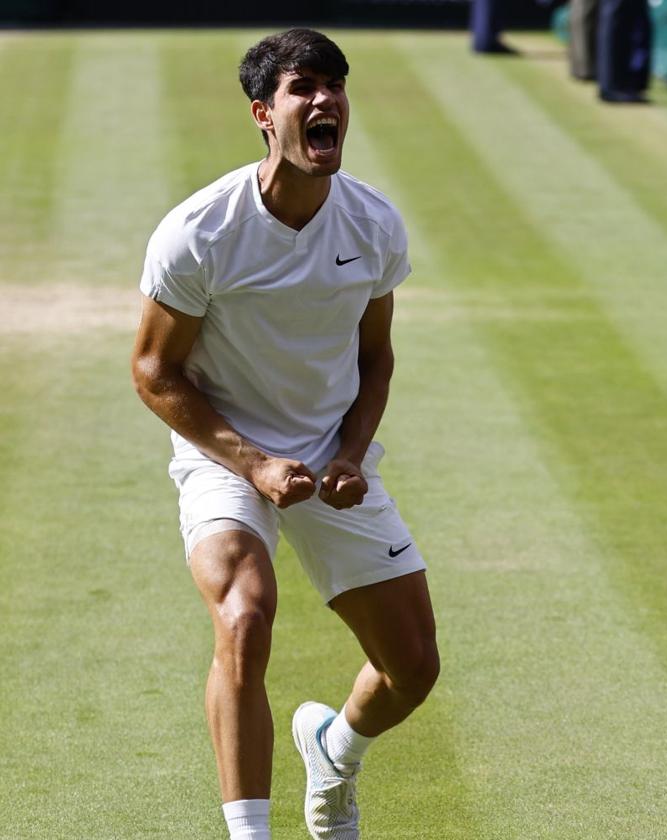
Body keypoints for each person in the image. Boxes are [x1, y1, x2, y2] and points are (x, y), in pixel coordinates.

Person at [130, 28, 439, 840]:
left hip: (330, 453)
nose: (326, 99)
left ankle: (333, 750)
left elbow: (376, 362)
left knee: (412, 669)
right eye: (304, 87)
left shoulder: (373, 225)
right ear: (265, 113)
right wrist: (255, 462)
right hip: (226, 452)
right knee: (244, 615)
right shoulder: (200, 232)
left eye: (335, 85)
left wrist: (346, 453)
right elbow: (156, 374)